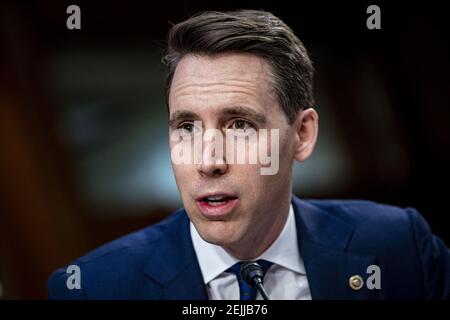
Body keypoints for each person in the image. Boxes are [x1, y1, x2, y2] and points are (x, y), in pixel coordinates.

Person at [47, 9, 450, 300]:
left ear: (302, 135)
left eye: (239, 125)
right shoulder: (95, 287)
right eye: (186, 127)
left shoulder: (400, 246)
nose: (208, 161)